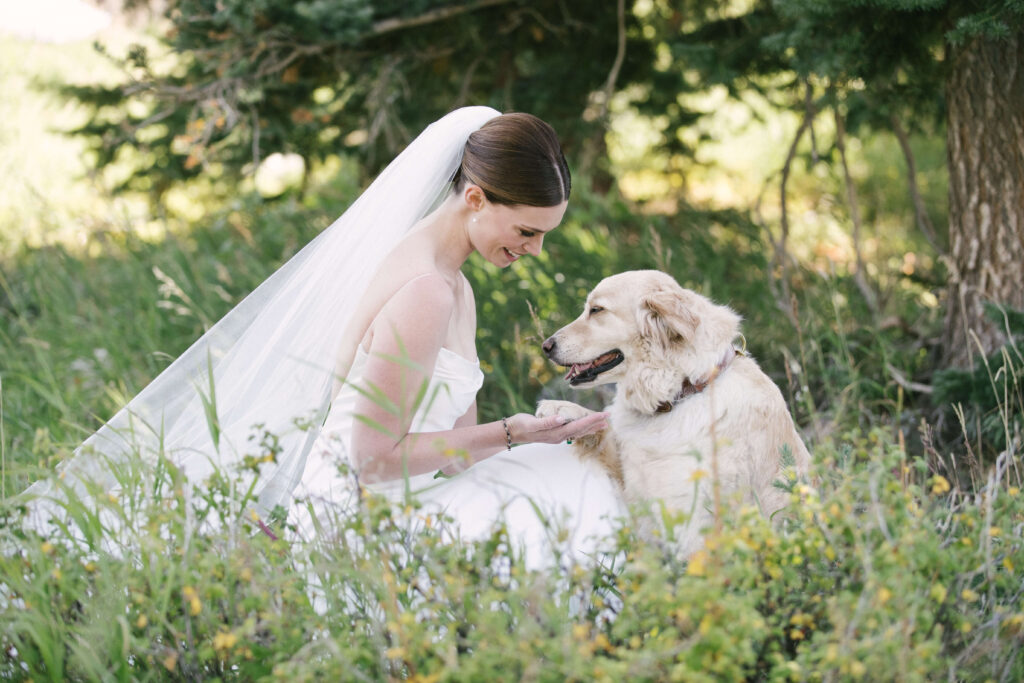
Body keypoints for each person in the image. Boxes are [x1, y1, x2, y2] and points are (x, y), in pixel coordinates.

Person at [18, 106, 624, 566]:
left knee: (569, 478)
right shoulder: (425, 292)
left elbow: (455, 446)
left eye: (545, 234)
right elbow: (369, 461)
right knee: (574, 511)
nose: (535, 250)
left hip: (405, 498)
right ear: (474, 198)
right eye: (527, 229)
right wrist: (514, 432)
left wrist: (539, 434)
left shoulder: (454, 285)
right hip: (360, 522)